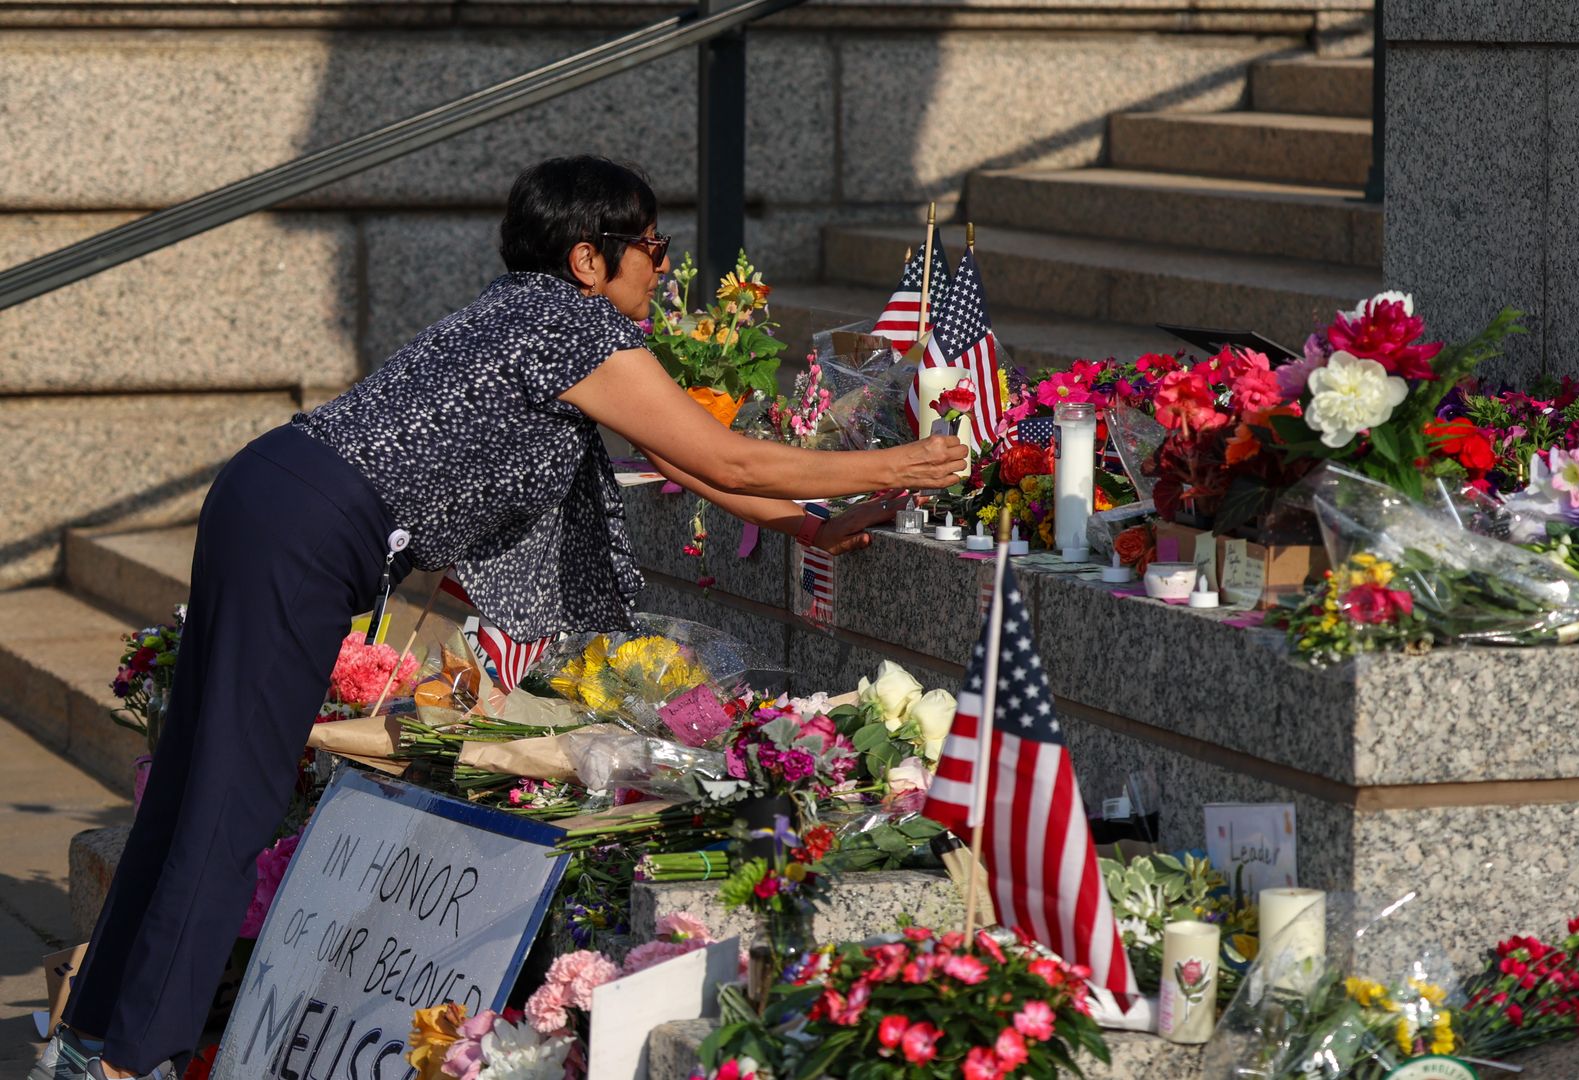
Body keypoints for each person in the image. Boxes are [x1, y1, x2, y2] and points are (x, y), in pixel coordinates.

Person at [38, 156, 967, 1080]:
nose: (660, 263)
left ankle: (87, 1040)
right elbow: (733, 458)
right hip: (307, 534)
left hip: (268, 494)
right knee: (229, 806)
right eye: (648, 244)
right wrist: (901, 464)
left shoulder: (527, 313)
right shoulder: (570, 329)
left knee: (195, 785)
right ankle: (133, 1060)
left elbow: (696, 467)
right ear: (586, 260)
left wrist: (822, 521)